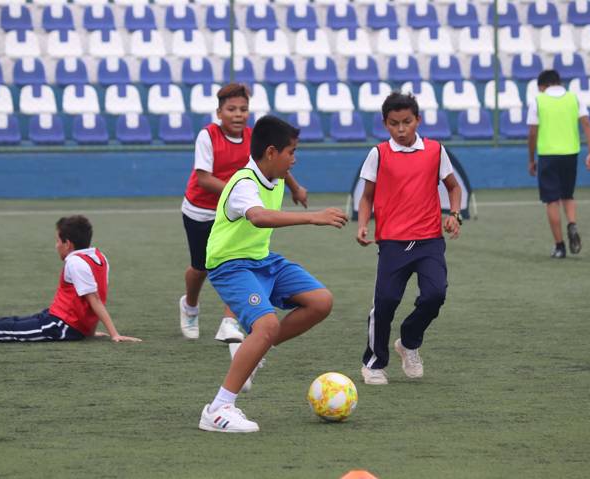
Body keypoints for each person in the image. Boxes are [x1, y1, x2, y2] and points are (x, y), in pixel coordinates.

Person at [197, 115, 348, 433]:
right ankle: (218, 408)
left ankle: (254, 350)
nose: (295, 158)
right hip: (230, 265)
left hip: (262, 260)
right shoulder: (243, 185)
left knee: (321, 301)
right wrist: (312, 218)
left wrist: (295, 187)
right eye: (291, 152)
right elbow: (259, 217)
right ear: (270, 153)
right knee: (264, 327)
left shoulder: (273, 174)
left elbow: (283, 176)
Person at [180, 83, 309, 342]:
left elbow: (277, 163)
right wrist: (239, 194)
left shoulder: (255, 138)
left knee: (242, 260)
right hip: (201, 211)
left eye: (243, 109)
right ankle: (190, 306)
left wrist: (295, 187)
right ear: (219, 113)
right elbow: (204, 179)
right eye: (231, 109)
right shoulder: (208, 136)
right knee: (200, 267)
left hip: (241, 212)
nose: (238, 114)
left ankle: (230, 321)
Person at [356, 92, 462, 385]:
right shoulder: (378, 154)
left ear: (418, 120)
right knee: (386, 301)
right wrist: (363, 225)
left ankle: (409, 342)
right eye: (394, 124)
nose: (401, 129)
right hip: (392, 241)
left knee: (435, 294)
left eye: (407, 122)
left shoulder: (435, 151)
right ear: (384, 124)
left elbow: (454, 188)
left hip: (429, 239)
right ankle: (374, 363)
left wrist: (454, 214)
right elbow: (366, 197)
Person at [0, 215, 141, 345]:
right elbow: (94, 299)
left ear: (67, 243)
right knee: (0, 322)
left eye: (57, 241)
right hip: (58, 318)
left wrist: (114, 334)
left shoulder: (74, 261)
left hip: (60, 327)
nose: (56, 246)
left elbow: (94, 301)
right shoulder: (99, 256)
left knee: (2, 330)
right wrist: (89, 330)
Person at [527, 69, 590, 258]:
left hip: (548, 155)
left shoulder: (538, 101)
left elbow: (532, 133)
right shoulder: (574, 98)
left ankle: (559, 246)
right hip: (570, 154)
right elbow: (587, 124)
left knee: (551, 200)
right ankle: (572, 223)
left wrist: (531, 159)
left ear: (543, 86)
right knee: (568, 195)